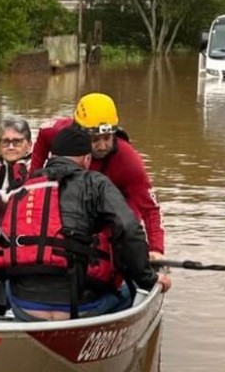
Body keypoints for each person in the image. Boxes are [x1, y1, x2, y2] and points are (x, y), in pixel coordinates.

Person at [0, 126, 171, 321]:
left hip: (25, 308)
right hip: (79, 309)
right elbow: (129, 229)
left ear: (53, 156)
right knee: (134, 286)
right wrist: (149, 277)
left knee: (11, 281)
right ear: (87, 159)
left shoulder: (24, 187)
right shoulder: (97, 183)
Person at [30, 93, 165, 261]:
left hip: (116, 209)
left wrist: (156, 249)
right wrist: (33, 180)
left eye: (108, 138)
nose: (102, 146)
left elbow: (150, 208)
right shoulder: (57, 132)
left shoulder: (128, 160)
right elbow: (42, 136)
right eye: (94, 139)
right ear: (78, 133)